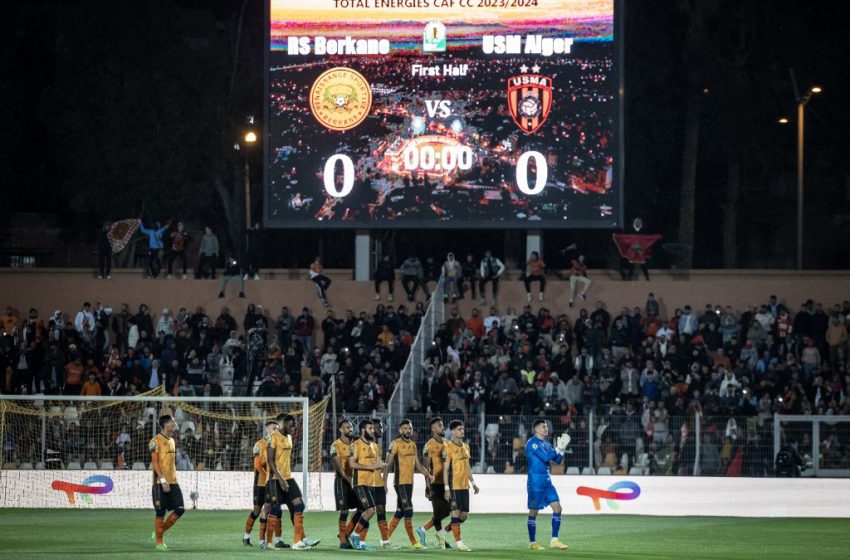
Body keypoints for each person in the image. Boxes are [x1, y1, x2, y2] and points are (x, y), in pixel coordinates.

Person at [266, 413, 319, 550]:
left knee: (299, 505)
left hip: (288, 477)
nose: (293, 428)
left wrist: (285, 477)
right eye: (291, 425)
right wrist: (281, 479)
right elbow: (270, 461)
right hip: (275, 479)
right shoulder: (272, 438)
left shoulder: (289, 438)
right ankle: (269, 542)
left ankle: (298, 541)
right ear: (283, 424)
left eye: (294, 426)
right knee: (276, 509)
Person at [386, 419, 433, 549]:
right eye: (405, 428)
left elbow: (418, 465)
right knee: (409, 510)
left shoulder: (413, 445)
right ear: (400, 430)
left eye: (410, 428)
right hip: (400, 483)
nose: (408, 430)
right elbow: (388, 464)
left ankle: (385, 539)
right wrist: (384, 483)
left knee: (400, 512)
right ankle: (414, 542)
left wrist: (428, 475)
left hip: (409, 483)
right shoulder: (395, 444)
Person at [525, 419, 570, 550]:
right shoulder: (532, 444)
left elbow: (557, 460)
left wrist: (562, 449)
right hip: (535, 483)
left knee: (558, 508)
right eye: (544, 427)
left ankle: (554, 540)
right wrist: (558, 447)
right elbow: (545, 458)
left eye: (547, 426)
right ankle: (532, 543)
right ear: (537, 429)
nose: (546, 428)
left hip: (547, 482)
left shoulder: (546, 443)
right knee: (534, 512)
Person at [348, 419, 385, 551]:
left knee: (366, 512)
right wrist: (370, 467)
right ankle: (354, 535)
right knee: (370, 510)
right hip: (360, 482)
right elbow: (351, 464)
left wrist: (381, 465)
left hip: (371, 483)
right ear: (363, 430)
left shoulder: (374, 445)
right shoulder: (355, 445)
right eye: (370, 428)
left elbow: (376, 464)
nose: (373, 430)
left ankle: (360, 542)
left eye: (373, 428)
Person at [150, 414, 185, 551]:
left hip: (173, 482)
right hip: (160, 482)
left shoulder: (172, 440)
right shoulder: (155, 441)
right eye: (173, 422)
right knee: (160, 512)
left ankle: (160, 531)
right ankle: (159, 543)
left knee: (180, 509)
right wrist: (163, 479)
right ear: (165, 424)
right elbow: (155, 462)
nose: (175, 424)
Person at [442, 420, 478, 552]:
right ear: (452, 432)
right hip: (453, 486)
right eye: (458, 429)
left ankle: (442, 534)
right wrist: (446, 488)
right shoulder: (448, 448)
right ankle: (459, 543)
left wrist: (473, 483)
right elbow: (445, 470)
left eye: (462, 429)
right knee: (455, 514)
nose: (462, 431)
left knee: (463, 516)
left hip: (464, 486)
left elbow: (467, 466)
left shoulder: (466, 447)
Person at [417, 417, 452, 549]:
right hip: (435, 484)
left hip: (447, 483)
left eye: (443, 426)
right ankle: (438, 539)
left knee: (446, 512)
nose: (443, 428)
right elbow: (426, 468)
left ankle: (424, 530)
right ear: (433, 429)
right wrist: (427, 486)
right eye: (440, 426)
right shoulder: (428, 446)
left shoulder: (448, 443)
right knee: (440, 513)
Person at [244, 419, 278, 548]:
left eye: (277, 428)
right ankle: (246, 536)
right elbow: (258, 465)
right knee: (257, 510)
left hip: (272, 483)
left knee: (270, 509)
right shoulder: (259, 444)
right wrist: (268, 477)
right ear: (267, 430)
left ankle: (264, 540)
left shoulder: (276, 443)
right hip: (260, 483)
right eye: (274, 428)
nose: (276, 430)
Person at [331, 419, 360, 549]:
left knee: (363, 508)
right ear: (341, 430)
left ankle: (346, 532)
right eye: (347, 427)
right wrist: (350, 481)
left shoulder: (356, 444)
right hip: (342, 481)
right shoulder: (335, 445)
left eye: (351, 427)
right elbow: (340, 469)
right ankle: (343, 541)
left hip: (356, 480)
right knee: (344, 510)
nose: (350, 429)